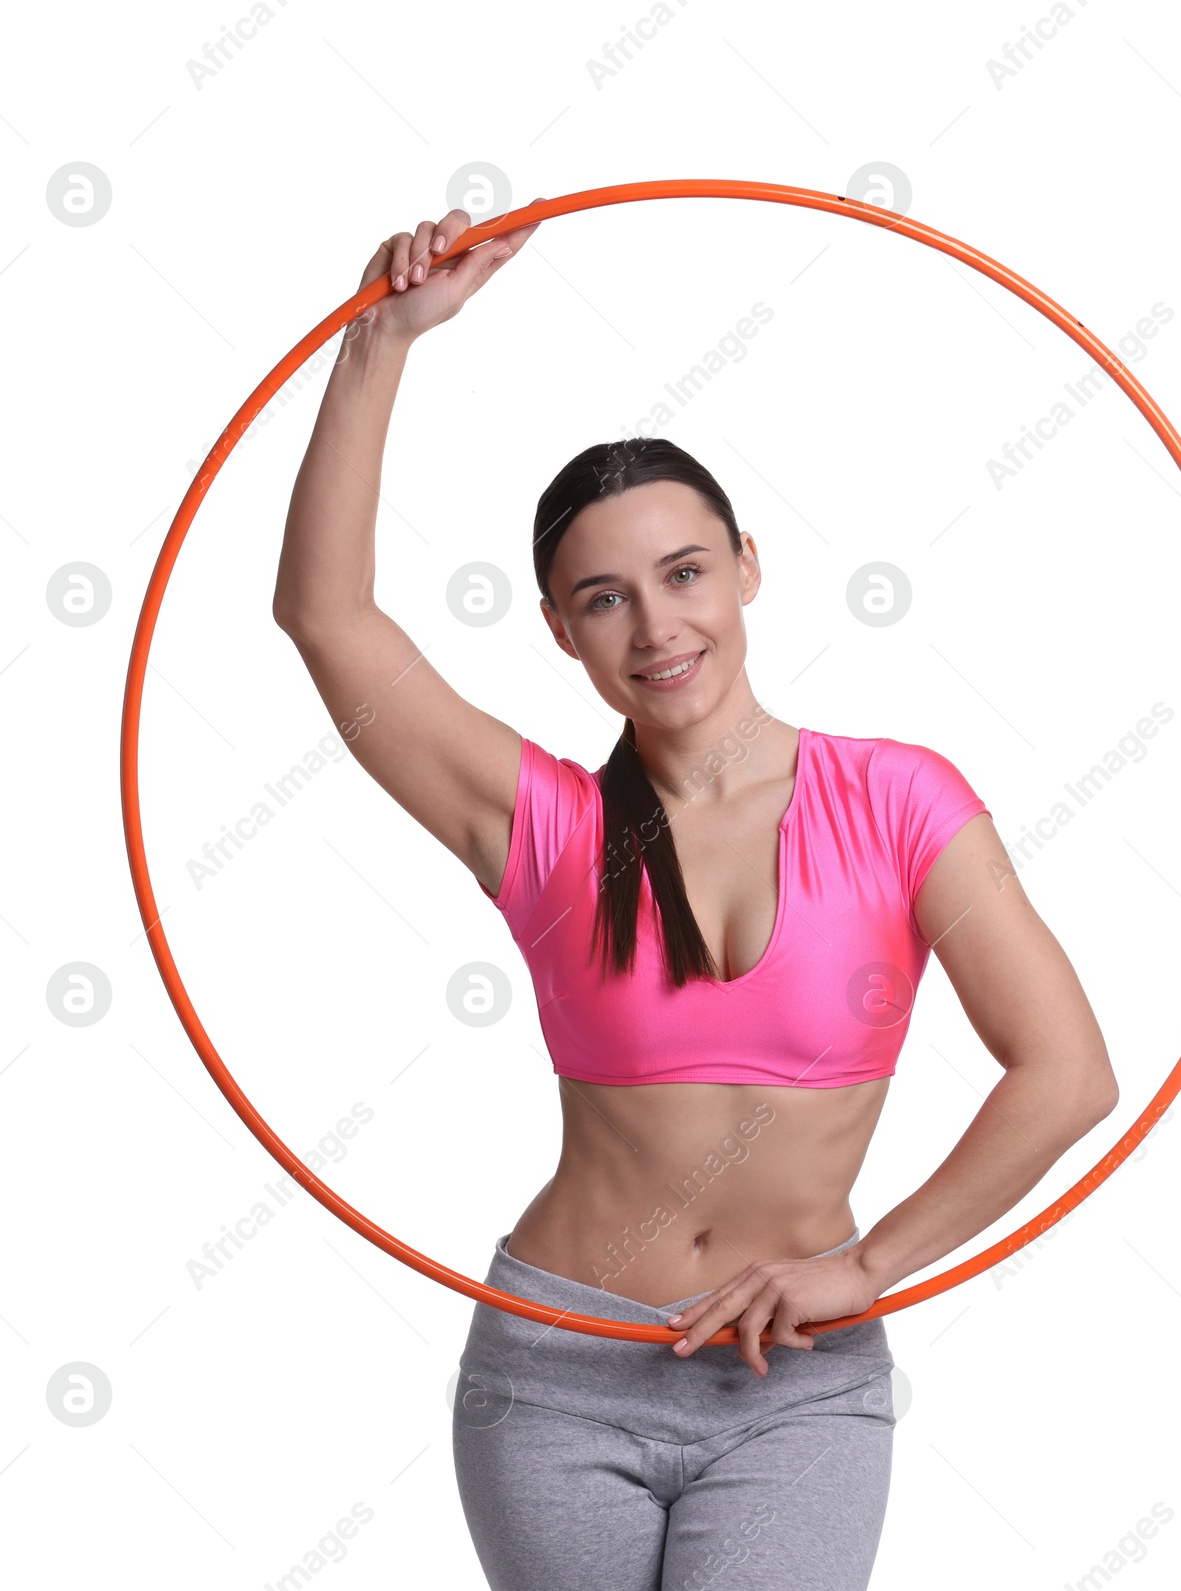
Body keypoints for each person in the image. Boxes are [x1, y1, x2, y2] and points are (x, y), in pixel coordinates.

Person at [271, 209, 1119, 1591]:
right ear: (559, 628)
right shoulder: (542, 824)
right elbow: (326, 619)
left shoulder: (900, 801)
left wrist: (872, 1266)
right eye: (602, 599)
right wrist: (377, 343)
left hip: (797, 1384)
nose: (657, 628)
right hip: (557, 1372)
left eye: (684, 575)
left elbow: (1068, 1074)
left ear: (746, 568)